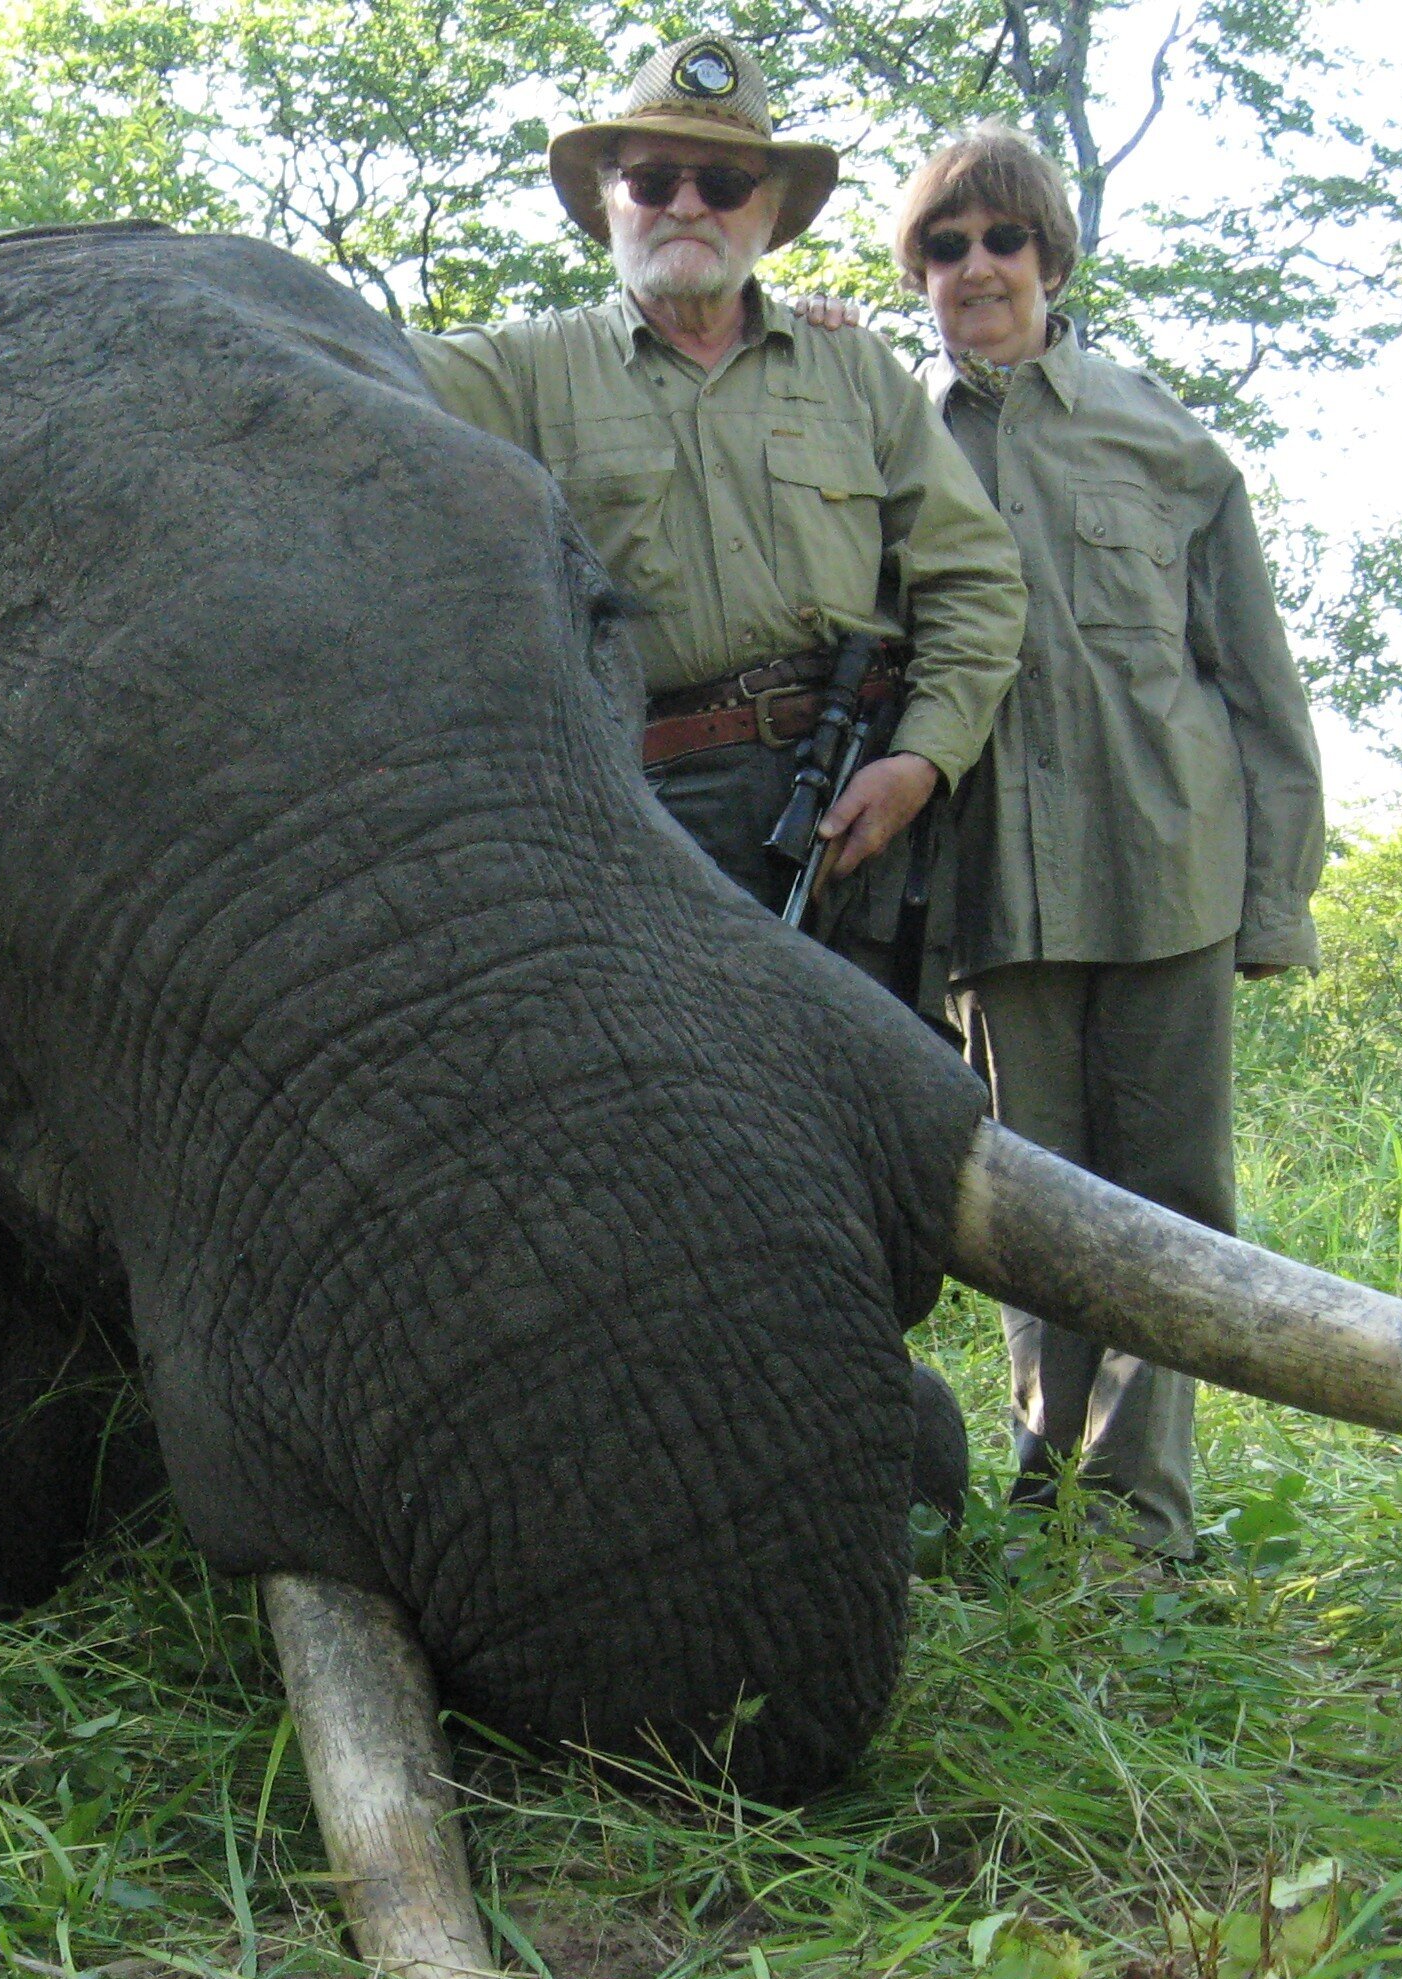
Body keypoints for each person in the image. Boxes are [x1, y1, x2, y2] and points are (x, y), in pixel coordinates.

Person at [893, 126, 1326, 1558]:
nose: (976, 269)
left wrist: (1272, 902)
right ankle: (1043, 1501)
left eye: (1001, 241)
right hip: (991, 894)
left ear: (1052, 257)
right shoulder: (886, 437)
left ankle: (1145, 1522)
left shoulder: (1166, 439)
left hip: (1170, 876)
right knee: (1033, 1215)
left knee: (1177, 1207)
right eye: (945, 249)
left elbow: (1260, 690)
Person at [407, 33, 1024, 1015]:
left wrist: (920, 758)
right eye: (653, 180)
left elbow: (974, 578)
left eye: (726, 182)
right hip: (640, 824)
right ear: (610, 198)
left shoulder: (856, 369)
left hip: (853, 807)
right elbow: (335, 367)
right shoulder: (521, 369)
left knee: (880, 1130)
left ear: (768, 211)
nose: (687, 204)